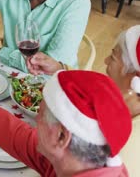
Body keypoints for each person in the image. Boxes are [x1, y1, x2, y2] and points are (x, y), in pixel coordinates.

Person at [0, 70, 131, 176]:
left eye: (39, 114)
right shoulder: (67, 160)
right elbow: (10, 130)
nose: (33, 121)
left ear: (61, 137)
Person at [26, 25, 140, 176]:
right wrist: (60, 69)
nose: (105, 61)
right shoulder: (117, 105)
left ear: (134, 77)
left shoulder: (132, 141)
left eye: (112, 57)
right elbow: (94, 93)